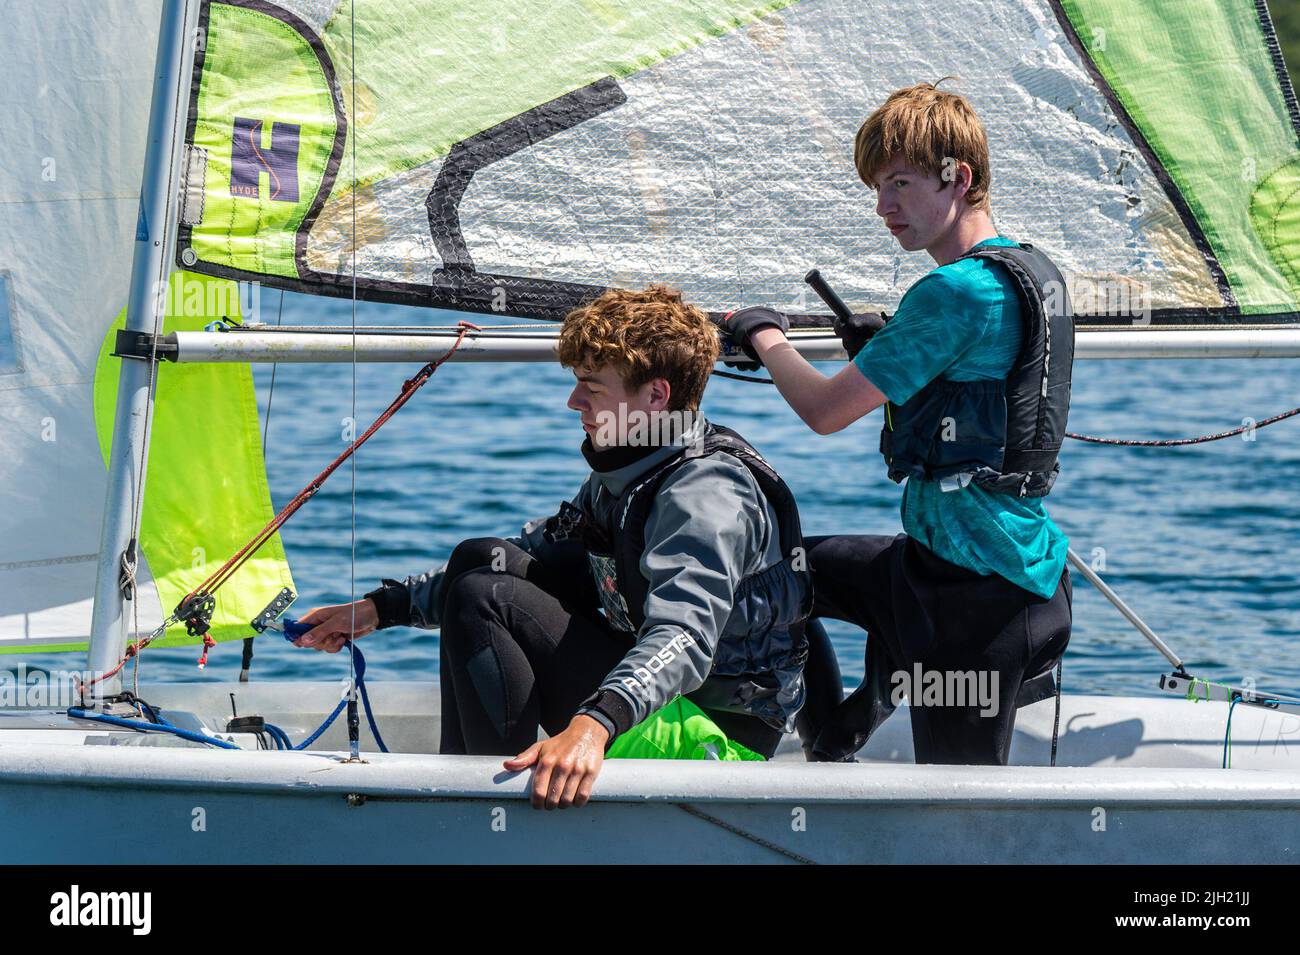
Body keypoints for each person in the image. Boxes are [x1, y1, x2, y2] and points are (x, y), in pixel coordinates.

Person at [296, 284, 814, 808]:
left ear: (656, 396)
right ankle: (471, 785)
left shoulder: (703, 494)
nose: (573, 402)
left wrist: (595, 723)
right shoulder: (638, 463)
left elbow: (685, 637)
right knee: (477, 560)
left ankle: (497, 817)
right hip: (668, 702)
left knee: (487, 599)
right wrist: (380, 610)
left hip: (715, 739)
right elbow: (527, 549)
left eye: (591, 386)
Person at [722, 81, 1074, 766]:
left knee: (954, 825)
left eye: (900, 184)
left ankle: (875, 699)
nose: (883, 208)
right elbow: (974, 375)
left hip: (977, 606)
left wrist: (762, 332)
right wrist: (884, 347)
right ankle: (833, 734)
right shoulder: (1033, 269)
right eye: (876, 188)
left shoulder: (952, 291)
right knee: (774, 573)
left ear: (958, 178)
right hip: (964, 566)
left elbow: (824, 412)